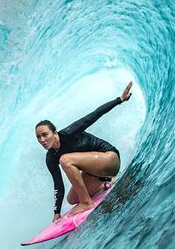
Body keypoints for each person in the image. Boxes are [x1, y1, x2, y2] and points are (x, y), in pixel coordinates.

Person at [35, 82, 133, 220]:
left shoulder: (69, 133)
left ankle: (87, 202)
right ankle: (105, 183)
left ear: (55, 133)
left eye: (45, 135)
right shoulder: (50, 157)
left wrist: (120, 100)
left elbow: (95, 114)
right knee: (72, 198)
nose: (42, 140)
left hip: (110, 159)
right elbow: (58, 185)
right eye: (38, 137)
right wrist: (56, 213)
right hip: (95, 173)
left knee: (65, 160)